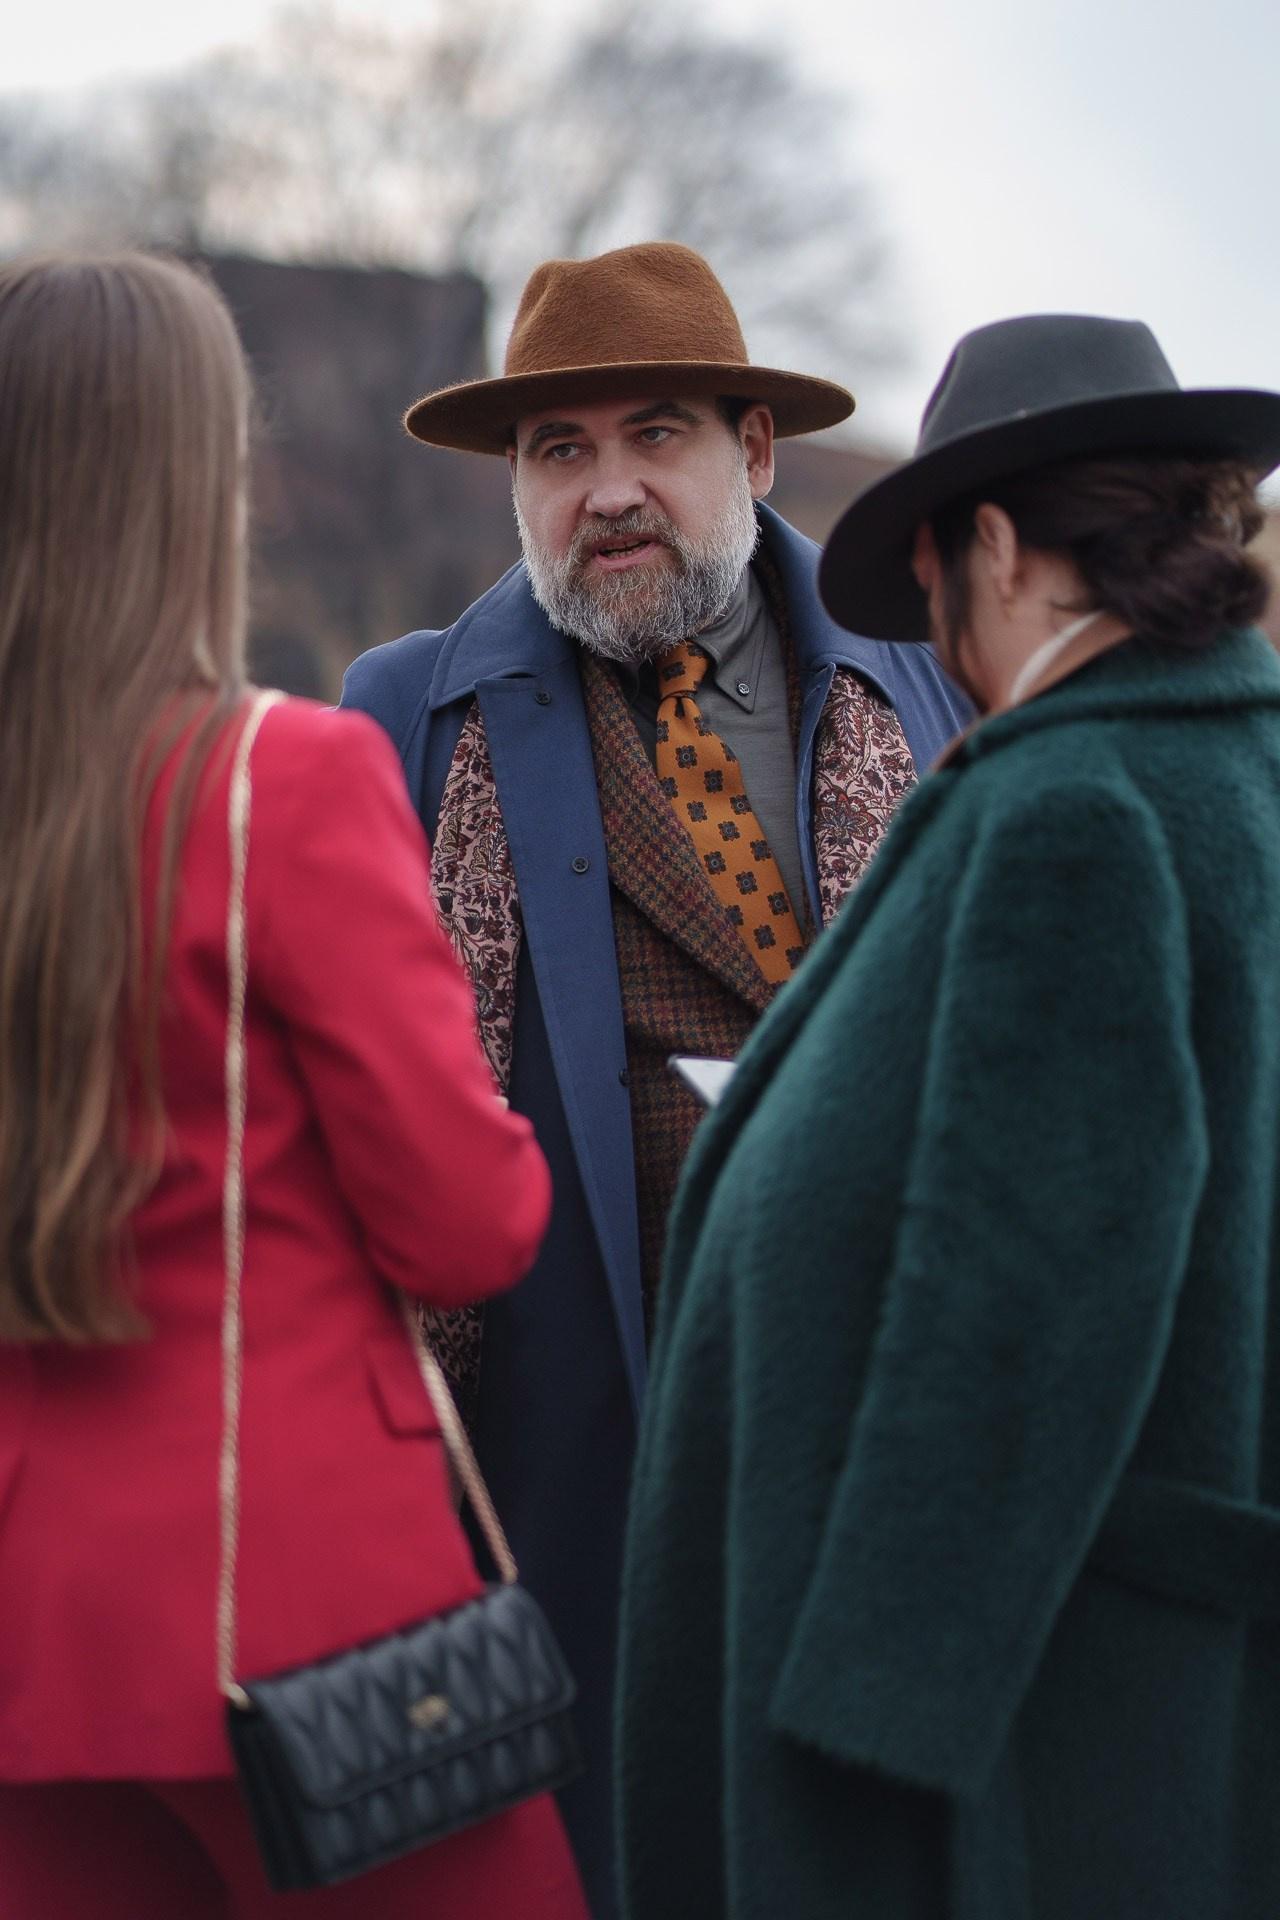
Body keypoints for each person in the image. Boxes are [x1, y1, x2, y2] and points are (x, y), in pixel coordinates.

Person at [616, 313, 1280, 1920]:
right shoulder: (1228, 771)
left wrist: (868, 1723)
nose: (935, 640)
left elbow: (1039, 1281)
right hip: (1134, 1682)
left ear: (991, 545)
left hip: (1007, 1743)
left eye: (926, 586)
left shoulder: (1075, 810)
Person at [341, 239, 971, 1914]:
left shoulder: (925, 679)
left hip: (878, 1410)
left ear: (755, 454)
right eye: (560, 450)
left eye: (657, 435)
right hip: (566, 1456)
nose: (608, 490)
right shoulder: (407, 717)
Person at [0, 252, 588, 1920]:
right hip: (303, 1613)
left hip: (33, 1640)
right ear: (195, 479)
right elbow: (469, 1224)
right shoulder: (283, 779)